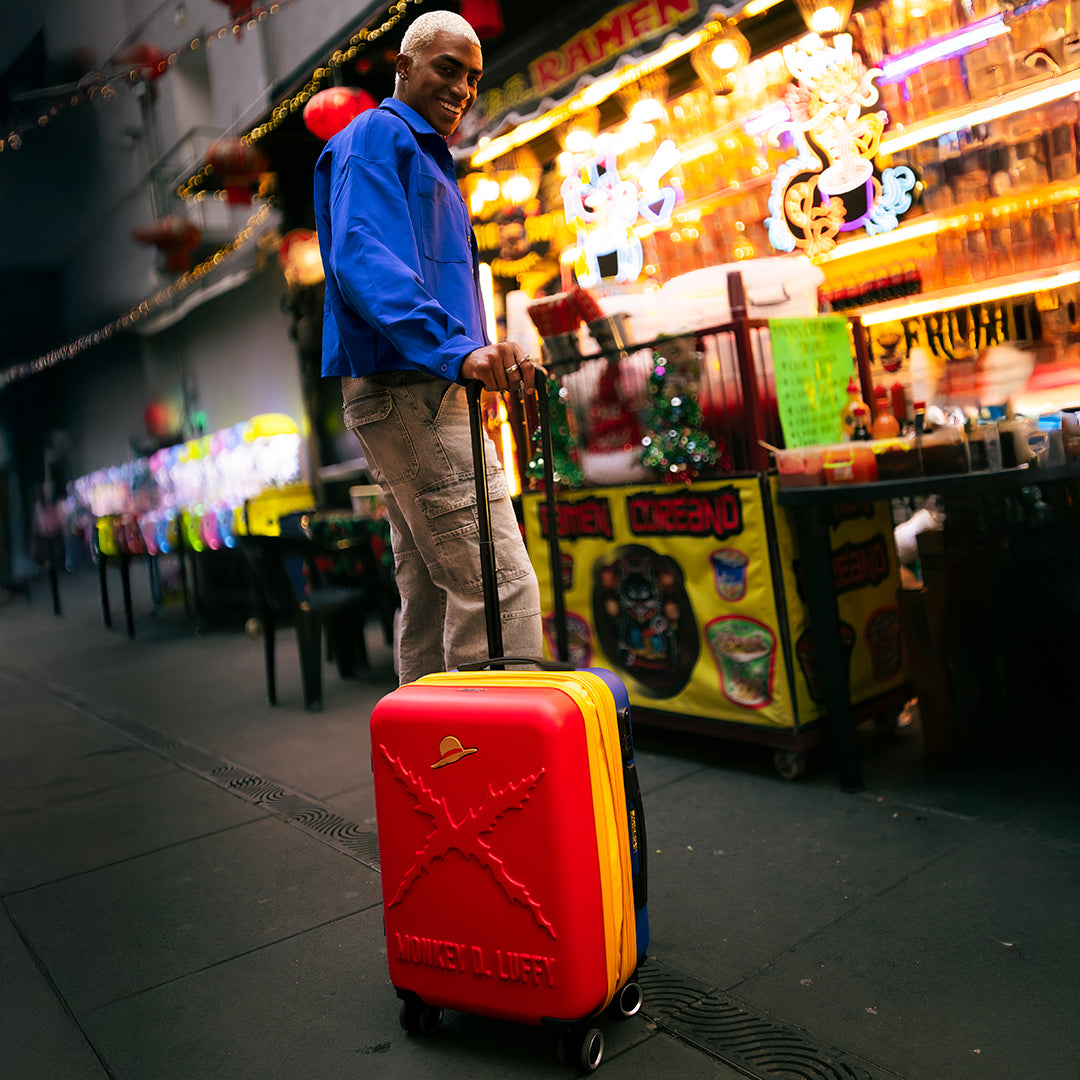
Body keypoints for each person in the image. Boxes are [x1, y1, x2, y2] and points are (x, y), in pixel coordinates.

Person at [314, 10, 543, 684]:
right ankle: (496, 747)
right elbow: (363, 257)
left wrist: (470, 354)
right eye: (448, 68)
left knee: (434, 592)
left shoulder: (419, 151)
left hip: (418, 387)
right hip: (410, 387)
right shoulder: (378, 134)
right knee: (500, 588)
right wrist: (456, 350)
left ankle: (432, 747)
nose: (463, 89)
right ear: (403, 65)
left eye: (472, 77)